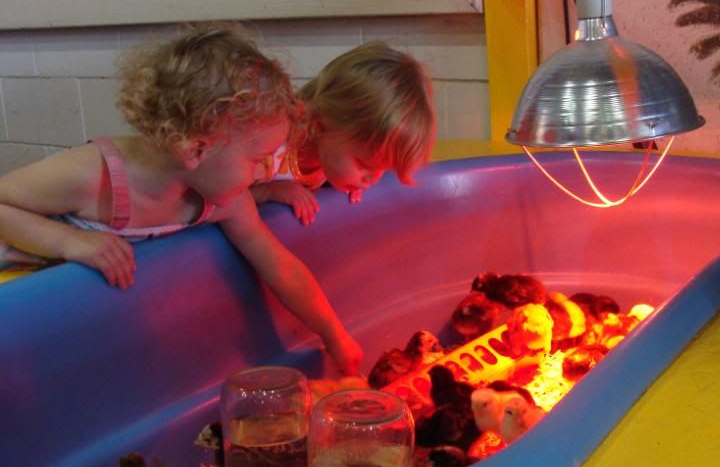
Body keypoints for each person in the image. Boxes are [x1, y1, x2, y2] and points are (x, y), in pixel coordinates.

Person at [0, 24, 363, 375]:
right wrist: (69, 242)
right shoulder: (94, 176)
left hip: (64, 314)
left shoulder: (225, 200)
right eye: (258, 160)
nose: (264, 173)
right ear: (195, 150)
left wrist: (335, 335)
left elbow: (281, 267)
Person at [251, 41, 435, 225]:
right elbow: (223, 200)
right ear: (321, 125)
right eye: (365, 164)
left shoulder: (330, 151)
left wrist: (339, 183)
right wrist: (268, 192)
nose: (372, 180)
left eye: (381, 169)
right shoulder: (269, 146)